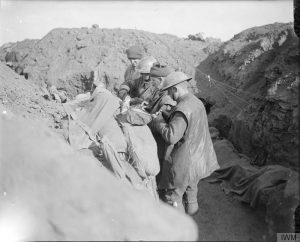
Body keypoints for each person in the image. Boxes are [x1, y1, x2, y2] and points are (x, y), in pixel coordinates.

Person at [151, 71, 220, 215]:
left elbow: (171, 136)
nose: (169, 96)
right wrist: (168, 116)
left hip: (184, 164)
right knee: (191, 192)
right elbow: (189, 126)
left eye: (169, 92)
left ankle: (179, 228)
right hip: (199, 159)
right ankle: (192, 218)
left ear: (175, 89)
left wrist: (158, 121)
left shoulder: (182, 109)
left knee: (173, 197)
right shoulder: (197, 102)